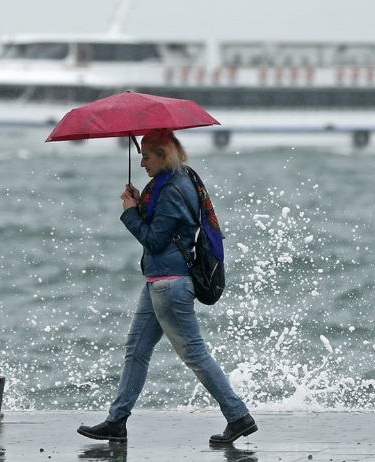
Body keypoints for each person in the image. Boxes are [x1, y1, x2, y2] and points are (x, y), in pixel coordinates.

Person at [77, 129, 257, 444]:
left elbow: (156, 240)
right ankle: (116, 421)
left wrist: (130, 213)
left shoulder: (172, 190)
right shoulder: (173, 182)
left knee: (195, 354)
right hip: (158, 282)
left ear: (163, 155)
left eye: (147, 156)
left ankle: (238, 415)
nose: (142, 162)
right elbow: (161, 226)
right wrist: (141, 204)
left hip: (170, 285)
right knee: (136, 351)